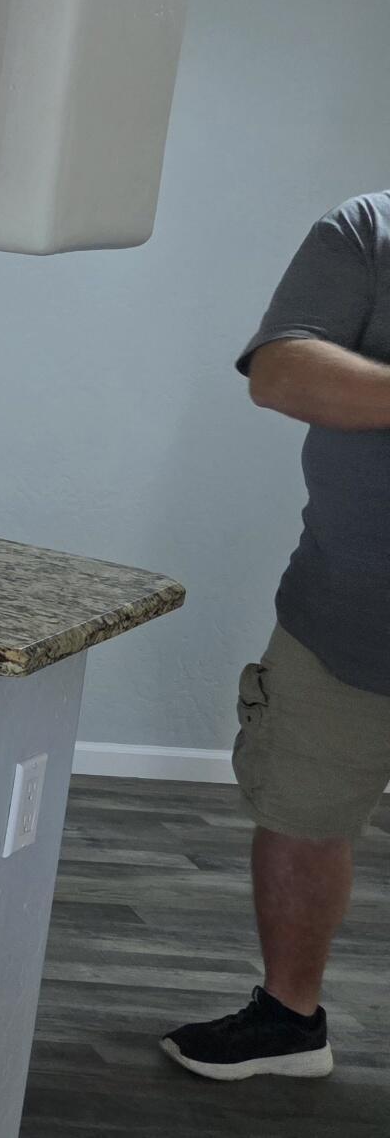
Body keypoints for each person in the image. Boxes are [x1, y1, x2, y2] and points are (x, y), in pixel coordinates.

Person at [162, 192, 390, 1081]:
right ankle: (290, 1023)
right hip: (345, 617)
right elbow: (283, 372)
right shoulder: (368, 230)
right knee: (301, 815)